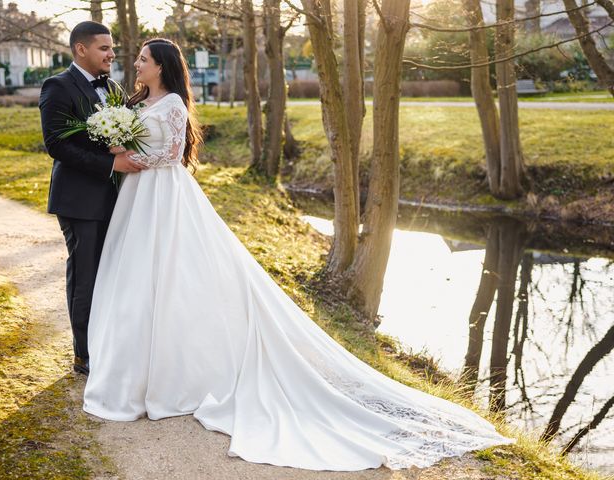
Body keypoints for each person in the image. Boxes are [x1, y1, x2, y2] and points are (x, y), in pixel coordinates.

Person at [82, 38, 512, 471]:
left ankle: (178, 374)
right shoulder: (138, 100)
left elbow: (172, 154)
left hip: (165, 196)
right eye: (137, 59)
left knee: (175, 274)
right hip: (136, 198)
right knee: (136, 278)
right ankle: (134, 370)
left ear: (163, 67)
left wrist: (126, 153)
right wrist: (118, 145)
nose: (136, 64)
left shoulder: (174, 103)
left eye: (143, 59)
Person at [39, 21, 147, 375]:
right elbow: (57, 144)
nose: (112, 54)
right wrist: (110, 162)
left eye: (112, 47)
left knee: (113, 273)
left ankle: (109, 343)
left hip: (117, 197)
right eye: (104, 48)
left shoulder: (114, 87)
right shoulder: (57, 86)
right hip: (78, 200)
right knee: (85, 275)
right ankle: (84, 354)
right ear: (80, 49)